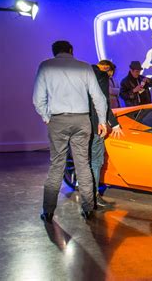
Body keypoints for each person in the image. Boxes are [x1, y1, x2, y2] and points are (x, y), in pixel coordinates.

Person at [32, 40, 107, 222]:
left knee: (57, 165)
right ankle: (88, 208)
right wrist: (103, 121)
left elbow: (38, 99)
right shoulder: (83, 67)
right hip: (82, 119)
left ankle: (48, 211)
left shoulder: (46, 66)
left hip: (58, 119)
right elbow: (98, 97)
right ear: (71, 50)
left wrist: (47, 117)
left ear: (54, 52)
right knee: (83, 163)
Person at [90, 60, 124, 208]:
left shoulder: (83, 73)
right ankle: (94, 195)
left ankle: (86, 193)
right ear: (107, 69)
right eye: (110, 74)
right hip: (96, 124)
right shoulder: (102, 76)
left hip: (79, 123)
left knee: (82, 160)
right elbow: (103, 102)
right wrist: (114, 123)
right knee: (96, 161)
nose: (109, 77)